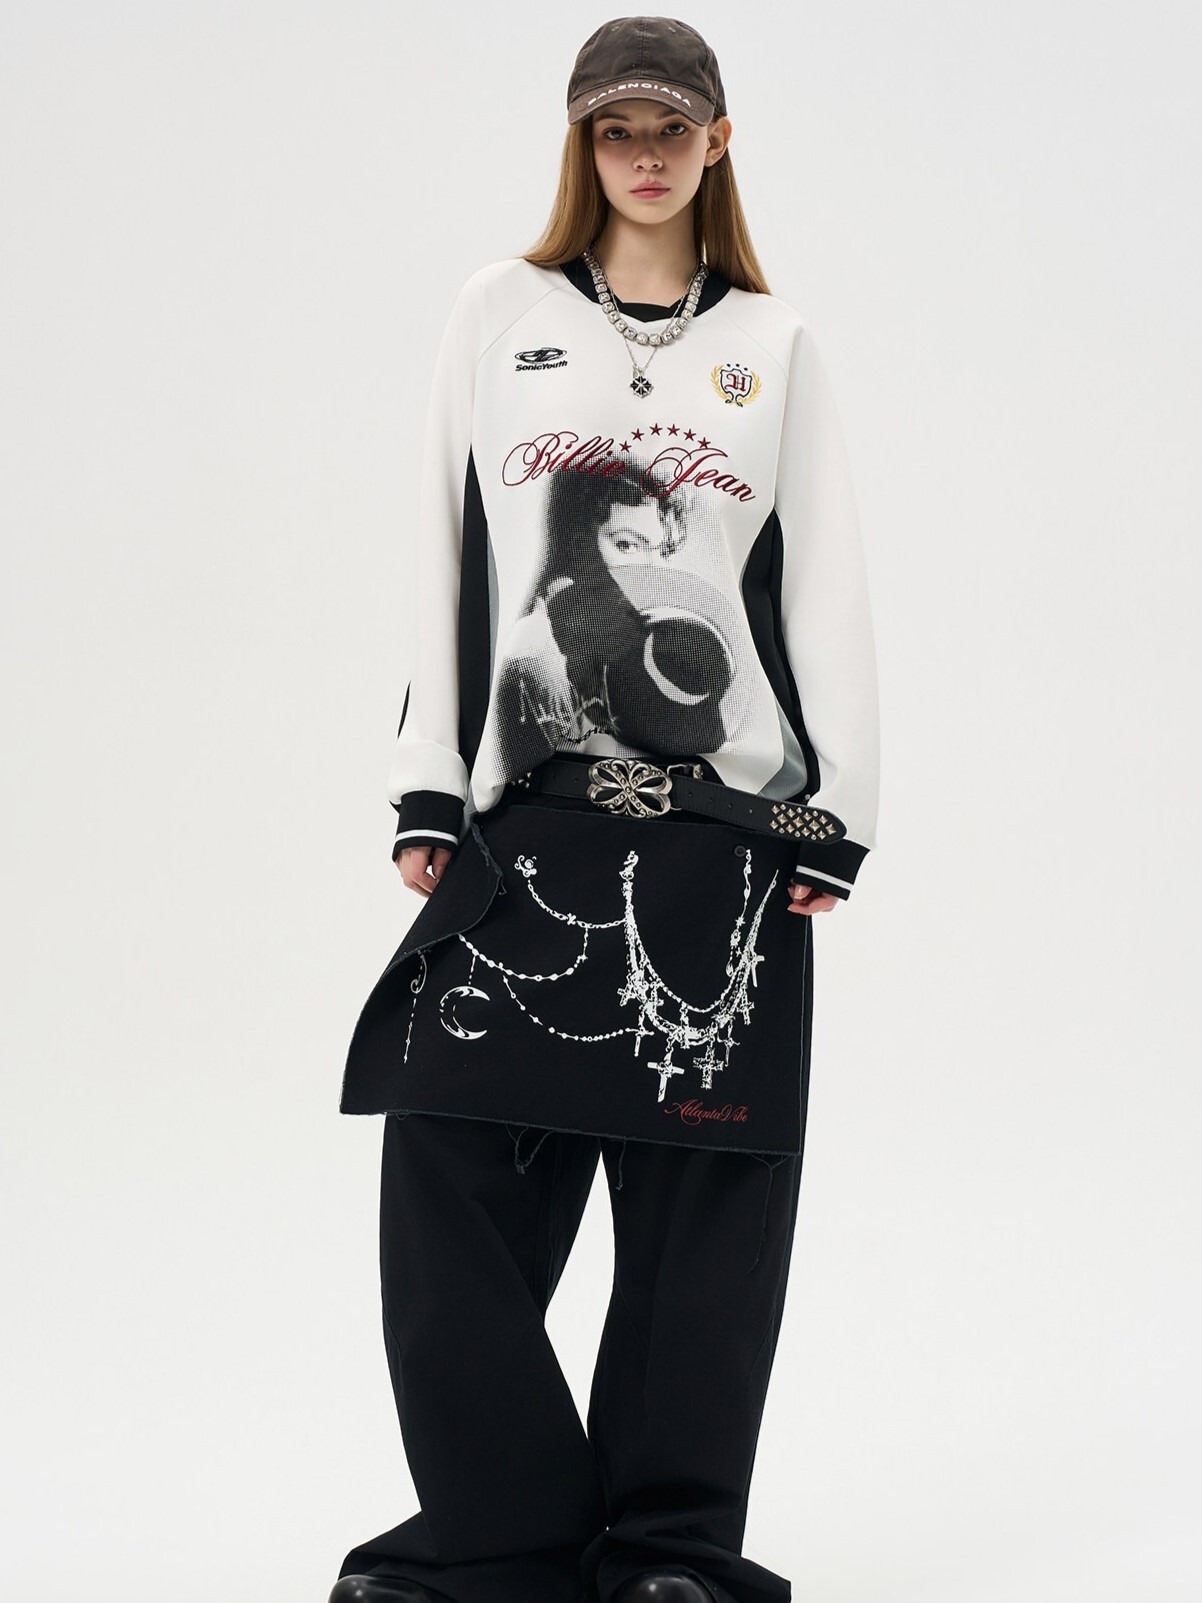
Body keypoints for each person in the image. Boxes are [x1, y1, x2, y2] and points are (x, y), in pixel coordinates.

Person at [330, 16, 880, 1603]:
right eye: (616, 129)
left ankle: (668, 1556)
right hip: (533, 817)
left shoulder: (773, 346)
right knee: (446, 1171)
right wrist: (428, 778)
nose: (645, 154)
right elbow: (444, 549)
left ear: (717, 141)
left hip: (726, 832)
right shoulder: (498, 315)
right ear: (581, 143)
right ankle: (501, 1539)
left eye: (671, 128)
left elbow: (824, 580)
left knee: (704, 1214)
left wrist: (835, 809)